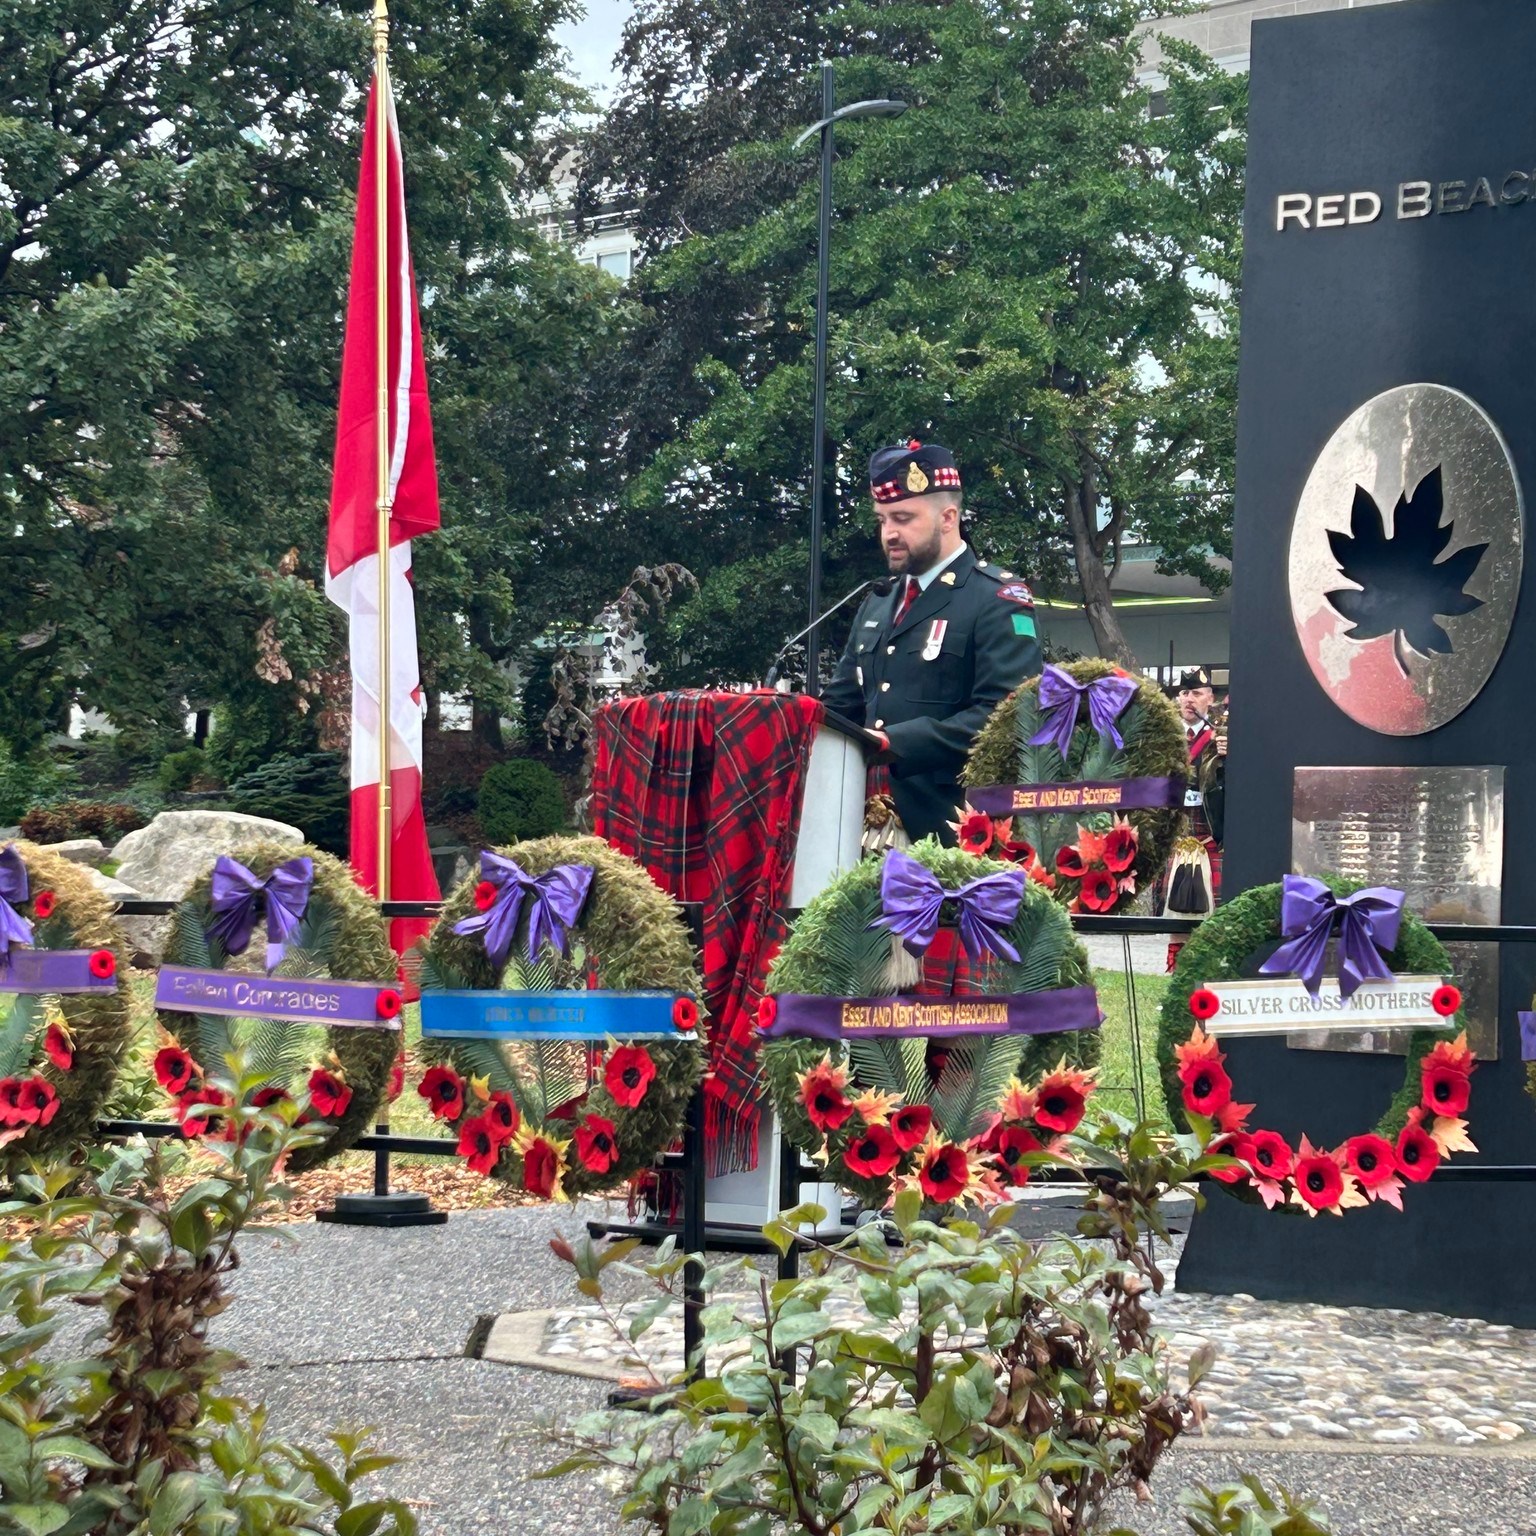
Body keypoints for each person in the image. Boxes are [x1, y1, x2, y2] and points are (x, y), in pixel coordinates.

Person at [820, 439, 1042, 845]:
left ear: (948, 517)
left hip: (953, 830)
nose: (889, 533)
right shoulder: (877, 601)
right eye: (882, 520)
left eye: (903, 518)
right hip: (855, 825)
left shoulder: (997, 598)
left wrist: (896, 742)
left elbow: (1008, 717)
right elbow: (839, 707)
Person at [1162, 665, 1227, 967]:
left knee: (1212, 922)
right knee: (1177, 920)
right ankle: (1179, 982)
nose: (1189, 699)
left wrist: (1230, 756)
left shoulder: (1221, 737)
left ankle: (1208, 979)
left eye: (1197, 693)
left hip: (1209, 837)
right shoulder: (1164, 737)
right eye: (1185, 693)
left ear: (1210, 699)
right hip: (1176, 839)